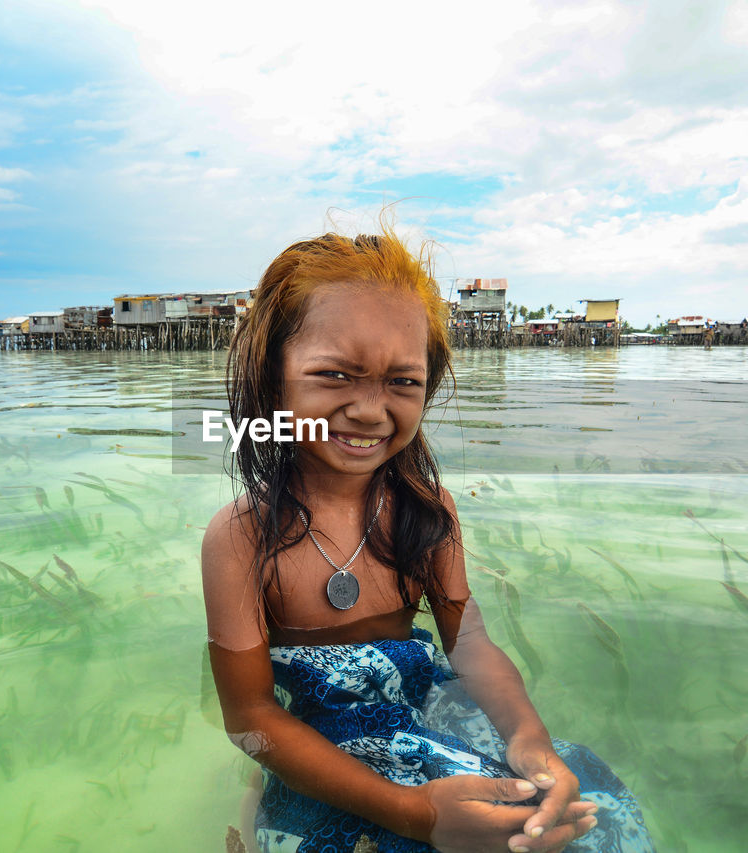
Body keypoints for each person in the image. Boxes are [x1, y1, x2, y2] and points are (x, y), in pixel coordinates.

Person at [201, 227, 654, 853]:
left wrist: (529, 738)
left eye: (403, 382)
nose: (368, 409)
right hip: (318, 748)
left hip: (425, 704)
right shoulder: (240, 536)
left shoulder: (426, 511)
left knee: (575, 816)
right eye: (333, 374)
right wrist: (414, 814)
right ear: (271, 383)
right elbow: (250, 715)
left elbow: (469, 646)